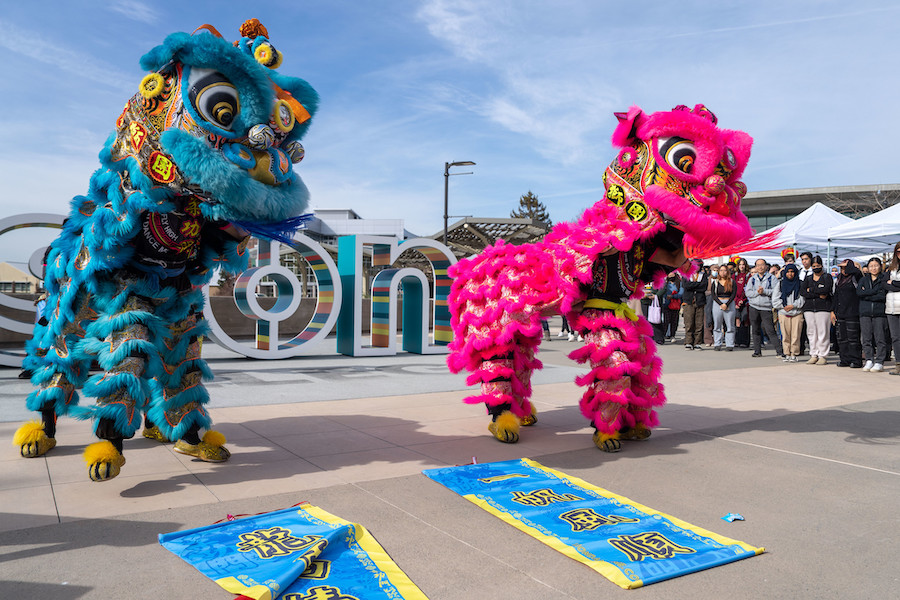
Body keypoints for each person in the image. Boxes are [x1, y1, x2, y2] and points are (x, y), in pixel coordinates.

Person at [745, 258, 783, 358]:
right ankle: (757, 351)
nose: (760, 267)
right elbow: (747, 292)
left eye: (762, 265)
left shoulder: (772, 278)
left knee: (770, 330)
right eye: (758, 265)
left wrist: (764, 291)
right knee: (755, 330)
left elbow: (776, 291)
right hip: (754, 307)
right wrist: (757, 293)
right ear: (755, 267)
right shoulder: (752, 278)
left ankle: (779, 351)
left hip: (766, 307)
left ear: (766, 266)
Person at [801, 255, 833, 365]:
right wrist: (818, 292)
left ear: (822, 266)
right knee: (811, 332)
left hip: (823, 308)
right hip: (809, 308)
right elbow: (803, 292)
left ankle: (823, 355)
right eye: (814, 266)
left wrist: (812, 290)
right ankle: (813, 354)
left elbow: (827, 289)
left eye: (818, 265)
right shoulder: (808, 278)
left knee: (823, 331)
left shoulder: (826, 277)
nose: (816, 267)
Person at [857, 257, 887, 372]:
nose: (873, 268)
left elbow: (882, 295)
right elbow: (859, 292)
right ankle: (869, 359)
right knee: (866, 338)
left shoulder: (883, 279)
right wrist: (874, 292)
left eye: (876, 265)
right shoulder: (863, 280)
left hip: (879, 313)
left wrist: (867, 294)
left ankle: (879, 361)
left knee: (880, 338)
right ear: (868, 268)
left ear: (880, 266)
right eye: (871, 266)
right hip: (865, 312)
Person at [832, 259, 863, 368]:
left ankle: (856, 360)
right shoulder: (839, 279)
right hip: (840, 312)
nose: (843, 270)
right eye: (841, 268)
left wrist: (850, 266)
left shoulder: (855, 277)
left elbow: (858, 272)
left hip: (852, 312)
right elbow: (835, 296)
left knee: (853, 338)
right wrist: (833, 311)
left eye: (845, 267)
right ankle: (844, 359)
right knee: (842, 338)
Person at [773, 264, 805, 362]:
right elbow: (775, 299)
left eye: (792, 272)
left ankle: (794, 354)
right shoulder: (780, 284)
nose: (790, 274)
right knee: (785, 335)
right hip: (783, 312)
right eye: (788, 272)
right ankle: (787, 353)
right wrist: (783, 306)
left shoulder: (800, 284)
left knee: (796, 335)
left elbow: (802, 298)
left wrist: (793, 305)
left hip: (797, 312)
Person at [681, 259, 707, 350]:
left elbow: (703, 287)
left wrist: (693, 285)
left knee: (699, 323)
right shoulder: (686, 275)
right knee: (689, 323)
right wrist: (697, 285)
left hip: (700, 301)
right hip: (689, 301)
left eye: (698, 266)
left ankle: (697, 342)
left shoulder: (703, 275)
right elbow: (686, 286)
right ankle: (688, 342)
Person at [883, 241, 900, 375]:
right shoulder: (891, 268)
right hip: (891, 307)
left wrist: (893, 282)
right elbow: (884, 284)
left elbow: (890, 283)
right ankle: (898, 364)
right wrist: (895, 285)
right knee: (895, 337)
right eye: (898, 252)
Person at [711, 265, 736, 350]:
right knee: (717, 324)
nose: (723, 272)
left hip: (729, 302)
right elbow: (713, 295)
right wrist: (720, 304)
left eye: (725, 270)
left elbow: (733, 294)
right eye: (721, 270)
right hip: (718, 303)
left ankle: (730, 344)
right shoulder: (715, 282)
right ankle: (717, 343)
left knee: (730, 325)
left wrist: (727, 304)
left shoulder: (732, 281)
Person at [734, 257, 751, 347]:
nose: (741, 266)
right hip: (736, 302)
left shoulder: (748, 276)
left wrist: (742, 300)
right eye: (740, 264)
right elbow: (733, 289)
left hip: (745, 302)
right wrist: (736, 301)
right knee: (737, 321)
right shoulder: (735, 276)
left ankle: (745, 341)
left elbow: (747, 289)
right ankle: (737, 340)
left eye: (743, 264)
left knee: (745, 321)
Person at [662, 272, 682, 341]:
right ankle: (664, 334)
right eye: (669, 274)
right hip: (666, 304)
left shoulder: (679, 283)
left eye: (672, 274)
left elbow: (681, 293)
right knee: (666, 320)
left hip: (675, 305)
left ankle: (672, 335)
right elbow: (662, 292)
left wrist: (673, 296)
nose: (671, 275)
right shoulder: (666, 284)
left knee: (674, 320)